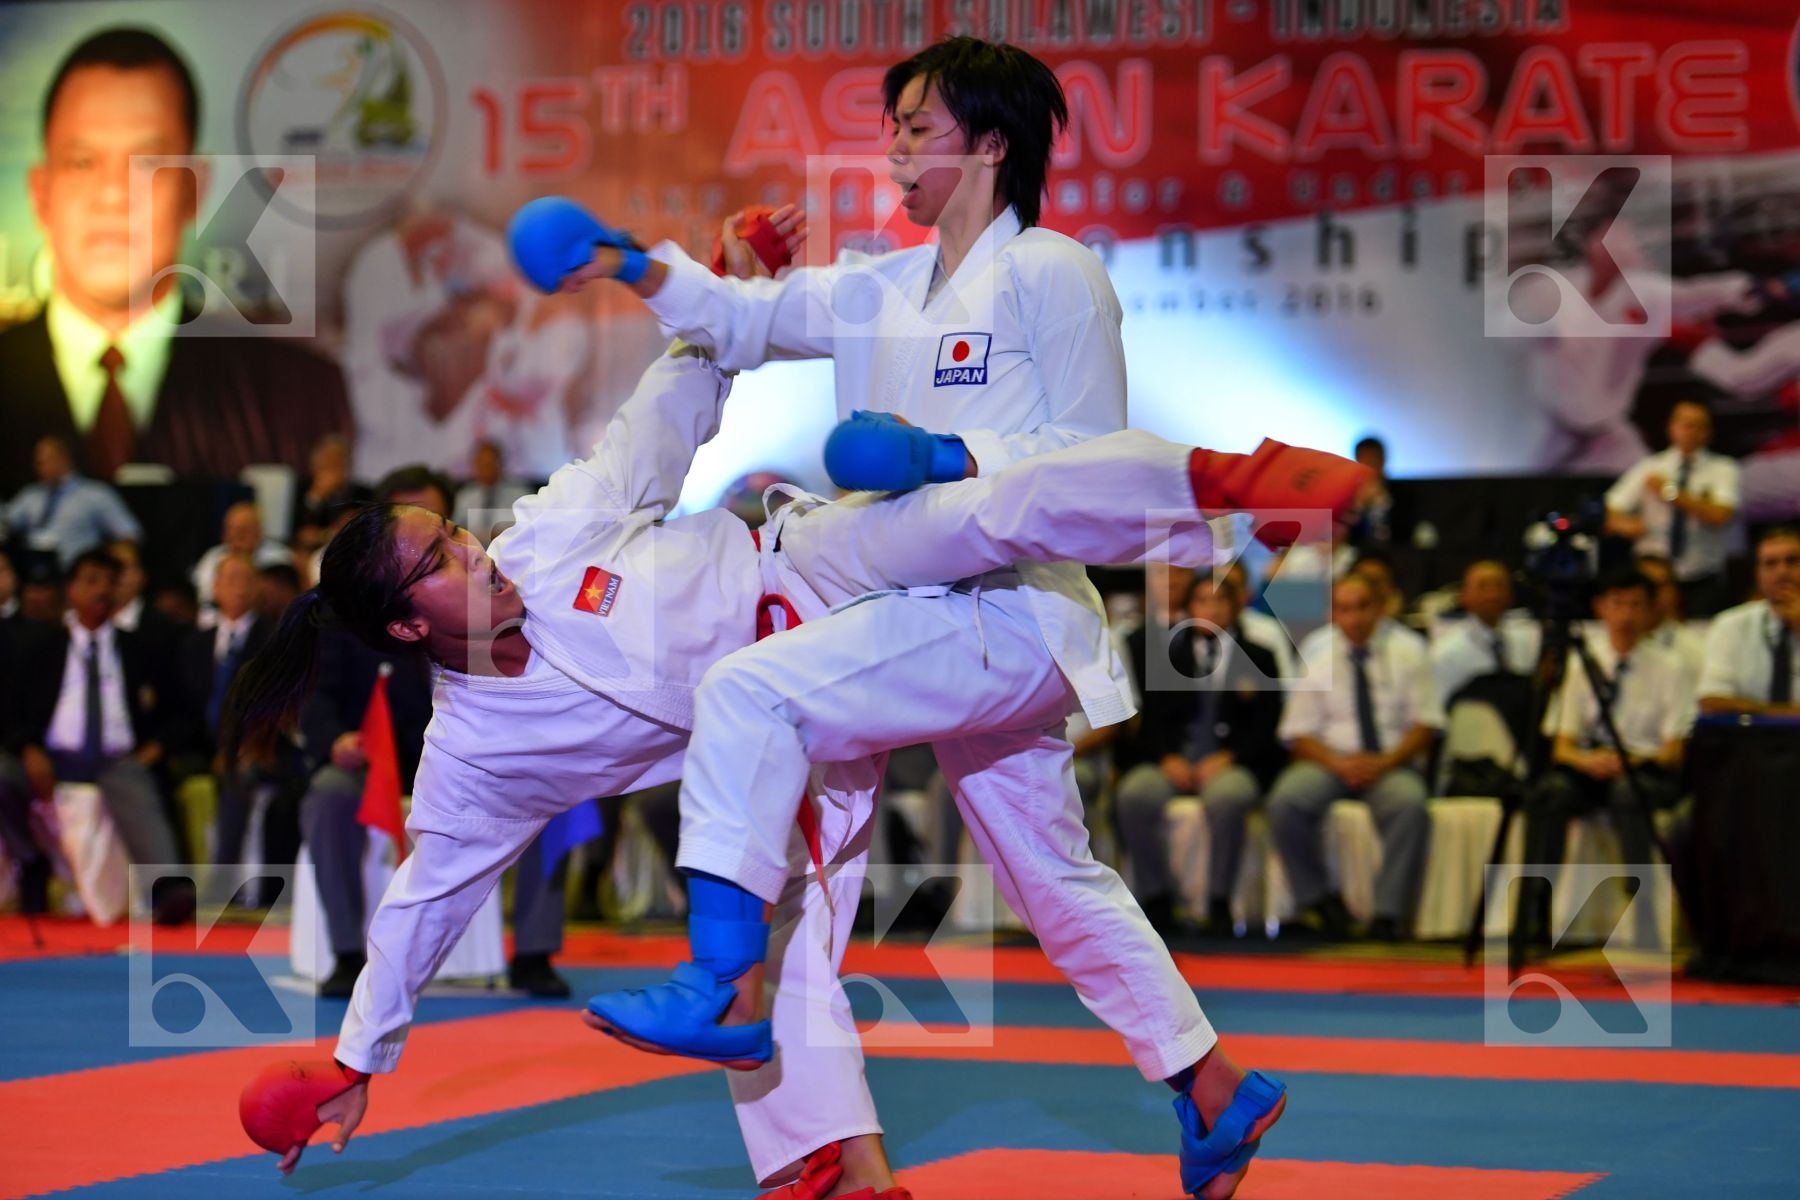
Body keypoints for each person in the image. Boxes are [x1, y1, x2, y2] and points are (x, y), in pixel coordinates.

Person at [226, 342, 1362, 1198]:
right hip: (810, 725)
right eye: (439, 561)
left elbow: (648, 431)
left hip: (804, 566)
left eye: (453, 532)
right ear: (409, 629)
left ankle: (1234, 489)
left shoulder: (546, 534)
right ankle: (850, 1170)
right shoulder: (474, 757)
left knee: (971, 516)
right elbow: (426, 898)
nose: (473, 551)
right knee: (788, 931)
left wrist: (713, 312)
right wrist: (350, 1055)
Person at [517, 38, 1307, 1198]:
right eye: (891, 125)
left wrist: (947, 452)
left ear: (992, 144)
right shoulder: (879, 286)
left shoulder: (1054, 271)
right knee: (1057, 882)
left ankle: (728, 987)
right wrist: (631, 264)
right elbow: (739, 318)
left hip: (1011, 617)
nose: (894, 147)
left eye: (918, 126)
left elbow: (1090, 462)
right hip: (916, 613)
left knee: (751, 690)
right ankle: (1214, 1089)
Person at [0, 26, 350, 495]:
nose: (112, 195)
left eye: (147, 163)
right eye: (82, 162)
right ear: (40, 193)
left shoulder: (297, 397)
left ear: (193, 188)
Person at [0, 548, 192, 922]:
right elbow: (9, 709)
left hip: (115, 760)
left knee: (137, 781)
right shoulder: (40, 644)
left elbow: (181, 712)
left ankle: (168, 887)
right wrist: (27, 747)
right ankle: (30, 861)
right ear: (70, 589)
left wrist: (154, 749)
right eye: (91, 581)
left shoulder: (139, 648)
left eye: (110, 582)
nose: (101, 591)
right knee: (2, 774)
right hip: (51, 756)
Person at [1516, 568, 1695, 947]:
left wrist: (1630, 759)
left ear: (1651, 611)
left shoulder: (1671, 667)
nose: (1626, 615)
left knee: (1627, 794)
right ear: (1600, 608)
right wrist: (1589, 761)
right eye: (1617, 604)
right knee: (1551, 792)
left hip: (1645, 770)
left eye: (1636, 605)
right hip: (1592, 768)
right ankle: (1534, 910)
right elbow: (1562, 745)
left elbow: (1675, 750)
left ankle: (1643, 913)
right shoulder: (1584, 663)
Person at [1265, 572, 1441, 941]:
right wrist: (1338, 763)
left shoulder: (1410, 649)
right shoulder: (1317, 651)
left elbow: (1426, 724)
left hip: (1391, 761)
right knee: (1285, 801)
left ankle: (1387, 913)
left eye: (1362, 607)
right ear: (1334, 612)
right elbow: (1296, 732)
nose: (1354, 618)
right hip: (1330, 761)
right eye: (1344, 609)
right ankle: (1317, 901)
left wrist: (1386, 762)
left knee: (1410, 804)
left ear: (1379, 608)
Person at [1113, 570, 1287, 933]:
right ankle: (1156, 897)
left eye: (1220, 601)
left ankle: (1220, 901)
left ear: (1236, 605)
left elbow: (1267, 725)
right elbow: (1149, 721)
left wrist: (1230, 757)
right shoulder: (1167, 654)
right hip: (1173, 760)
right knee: (1133, 796)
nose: (1211, 609)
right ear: (1190, 607)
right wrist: (1166, 758)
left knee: (1229, 798)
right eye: (1202, 601)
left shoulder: (1260, 656)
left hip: (1230, 762)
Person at [1603, 401, 1739, 617]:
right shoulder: (1650, 467)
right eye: (1684, 424)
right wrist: (1624, 524)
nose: (1689, 431)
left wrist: (1670, 492)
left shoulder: (1722, 469)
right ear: (1671, 427)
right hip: (1652, 575)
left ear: (1707, 433)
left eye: (1697, 425)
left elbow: (1720, 514)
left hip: (1700, 577)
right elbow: (1610, 507)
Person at [1695, 524, 1800, 715]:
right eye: (1770, 563)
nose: (1782, 572)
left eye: (1792, 561)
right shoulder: (1730, 624)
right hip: (1749, 740)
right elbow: (1712, 701)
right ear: (1757, 574)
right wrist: (1785, 715)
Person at [3, 436, 142, 569]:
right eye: (37, 462)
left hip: (75, 574)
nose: (38, 466)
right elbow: (5, 524)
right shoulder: (30, 495)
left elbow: (129, 534)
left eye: (43, 461)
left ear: (62, 459)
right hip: (33, 573)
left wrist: (102, 564)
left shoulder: (95, 494)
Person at [1431, 560, 1540, 704]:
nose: (1492, 595)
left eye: (1499, 585)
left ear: (1510, 594)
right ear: (1463, 596)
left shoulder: (1529, 640)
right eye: (1482, 587)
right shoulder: (1445, 652)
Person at [190, 502, 292, 608]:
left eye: (242, 531)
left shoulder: (278, 559)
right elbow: (201, 597)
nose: (235, 537)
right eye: (230, 529)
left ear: (259, 532)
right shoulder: (212, 557)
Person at [1632, 554, 1705, 682]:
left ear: (1674, 593)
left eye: (1660, 586)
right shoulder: (1601, 646)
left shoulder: (1695, 651)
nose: (1652, 594)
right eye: (1646, 586)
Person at [452, 439, 533, 542]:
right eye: (480, 463)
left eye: (490, 463)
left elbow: (527, 530)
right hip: (472, 552)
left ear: (501, 465)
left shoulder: (520, 495)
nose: (485, 468)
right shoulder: (464, 496)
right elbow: (455, 532)